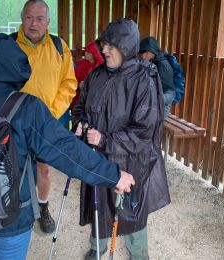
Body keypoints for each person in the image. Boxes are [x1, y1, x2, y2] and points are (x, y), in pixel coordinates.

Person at [0, 32, 135, 260]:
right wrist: (113, 175)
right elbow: (67, 151)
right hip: (10, 216)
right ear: (16, 63)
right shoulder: (26, 107)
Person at [72, 18, 170, 260]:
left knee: (131, 211)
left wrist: (105, 139)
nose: (103, 50)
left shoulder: (143, 79)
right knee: (99, 203)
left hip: (131, 161)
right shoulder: (97, 75)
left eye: (110, 46)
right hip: (97, 156)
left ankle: (138, 255)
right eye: (104, 44)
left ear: (125, 47)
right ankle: (98, 248)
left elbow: (144, 131)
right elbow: (80, 106)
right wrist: (81, 123)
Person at [12, 0, 78, 233]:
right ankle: (14, 208)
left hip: (47, 121)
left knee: (43, 168)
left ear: (48, 21)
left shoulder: (60, 47)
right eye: (29, 17)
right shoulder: (9, 45)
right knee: (12, 166)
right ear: (22, 18)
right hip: (13, 121)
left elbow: (69, 84)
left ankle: (42, 207)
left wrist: (49, 113)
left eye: (40, 18)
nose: (34, 23)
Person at [139, 36, 175, 117]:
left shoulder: (163, 65)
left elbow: (170, 92)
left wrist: (153, 99)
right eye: (141, 54)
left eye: (146, 53)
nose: (143, 57)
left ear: (152, 52)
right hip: (152, 102)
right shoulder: (147, 63)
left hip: (162, 104)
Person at [71, 40, 104, 109]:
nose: (85, 53)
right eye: (86, 51)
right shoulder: (81, 64)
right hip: (81, 96)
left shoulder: (101, 65)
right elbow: (74, 79)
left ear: (95, 53)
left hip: (96, 100)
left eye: (89, 52)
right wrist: (78, 85)